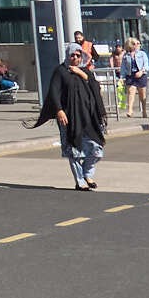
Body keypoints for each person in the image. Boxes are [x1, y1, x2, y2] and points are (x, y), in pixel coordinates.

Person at [31, 36, 109, 190]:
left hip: (88, 116)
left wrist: (80, 73)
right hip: (69, 117)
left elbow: (95, 87)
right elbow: (54, 92)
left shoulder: (85, 71)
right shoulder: (61, 71)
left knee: (96, 149)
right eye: (72, 55)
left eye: (78, 55)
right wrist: (59, 110)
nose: (75, 58)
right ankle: (80, 182)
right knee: (74, 151)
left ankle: (87, 173)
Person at [120, 32, 149, 129]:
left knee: (142, 94)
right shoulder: (126, 55)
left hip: (141, 75)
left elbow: (146, 64)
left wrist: (142, 71)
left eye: (137, 43)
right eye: (134, 44)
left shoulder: (142, 54)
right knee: (131, 92)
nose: (137, 45)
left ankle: (144, 110)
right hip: (131, 75)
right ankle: (130, 110)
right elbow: (123, 67)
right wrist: (122, 77)